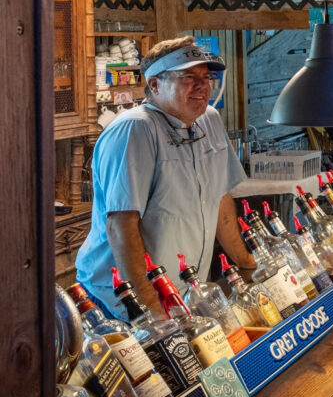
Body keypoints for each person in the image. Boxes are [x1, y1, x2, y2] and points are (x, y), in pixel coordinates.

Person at [75, 35, 253, 318]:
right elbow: (121, 227)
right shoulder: (134, 129)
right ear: (155, 84)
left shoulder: (209, 119)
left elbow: (219, 200)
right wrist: (154, 312)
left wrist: (248, 266)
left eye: (206, 77)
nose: (202, 86)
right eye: (188, 77)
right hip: (123, 302)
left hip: (180, 294)